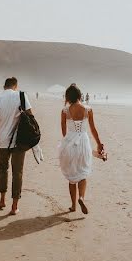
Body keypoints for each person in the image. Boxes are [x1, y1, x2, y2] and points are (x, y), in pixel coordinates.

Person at [0, 77, 33, 215]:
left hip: (1, 141)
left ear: (4, 86)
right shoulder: (21, 96)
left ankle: (2, 200)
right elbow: (31, 117)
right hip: (19, 142)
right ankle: (14, 206)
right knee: (17, 172)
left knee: (3, 169)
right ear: (15, 86)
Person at [58, 83, 104, 214]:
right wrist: (99, 144)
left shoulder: (64, 111)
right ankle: (82, 198)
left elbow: (63, 130)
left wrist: (67, 142)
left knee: (72, 176)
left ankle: (73, 206)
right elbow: (93, 129)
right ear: (80, 95)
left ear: (68, 97)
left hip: (69, 142)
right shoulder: (88, 109)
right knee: (83, 173)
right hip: (84, 142)